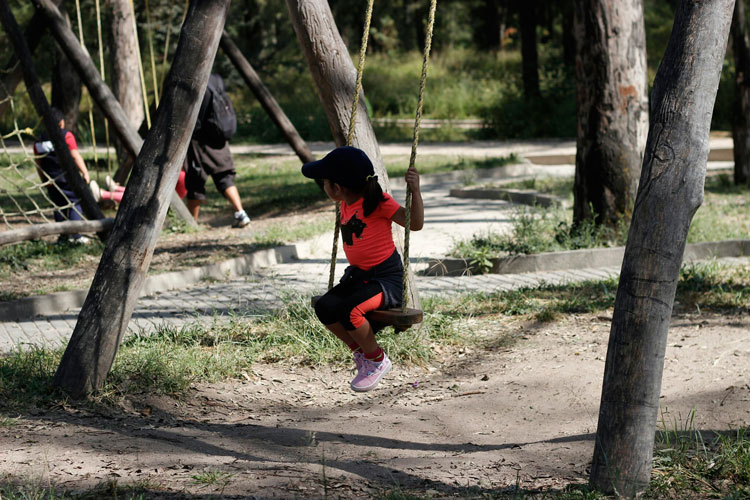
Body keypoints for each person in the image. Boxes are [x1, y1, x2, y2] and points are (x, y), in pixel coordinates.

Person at [302, 146, 424, 392]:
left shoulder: (379, 203)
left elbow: (416, 223)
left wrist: (416, 191)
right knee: (325, 307)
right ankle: (363, 355)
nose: (324, 186)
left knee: (350, 311)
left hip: (385, 281)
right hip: (360, 277)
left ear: (338, 187)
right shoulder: (345, 202)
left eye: (325, 182)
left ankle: (377, 360)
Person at [186, 74, 250, 228]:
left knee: (195, 181)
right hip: (219, 135)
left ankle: (190, 224)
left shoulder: (191, 78)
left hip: (199, 138)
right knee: (225, 176)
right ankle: (241, 213)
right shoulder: (217, 79)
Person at [34, 107, 91, 244]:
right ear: (61, 123)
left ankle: (63, 236)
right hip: (68, 178)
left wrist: (44, 179)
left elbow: (38, 163)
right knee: (74, 203)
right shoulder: (66, 136)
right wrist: (85, 172)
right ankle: (75, 236)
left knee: (58, 206)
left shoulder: (39, 141)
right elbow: (75, 156)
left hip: (52, 180)